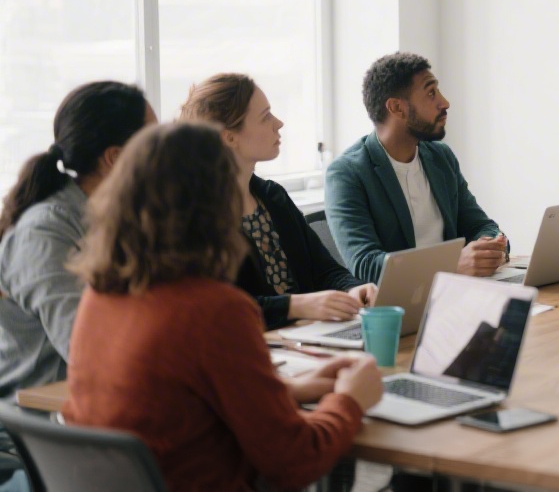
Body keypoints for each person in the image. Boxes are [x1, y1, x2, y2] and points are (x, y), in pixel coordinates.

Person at [63, 122, 384, 492]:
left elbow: (180, 402)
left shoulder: (100, 296)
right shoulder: (215, 311)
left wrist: (290, 391)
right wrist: (349, 400)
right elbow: (295, 461)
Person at [0, 81, 155, 492]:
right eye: (154, 139)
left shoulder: (120, 218)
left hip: (103, 413)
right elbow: (87, 352)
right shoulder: (45, 232)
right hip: (47, 434)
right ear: (115, 158)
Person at [179, 73, 376, 330]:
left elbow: (325, 271)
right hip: (251, 349)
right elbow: (220, 308)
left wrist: (352, 289)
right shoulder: (196, 216)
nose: (279, 123)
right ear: (229, 137)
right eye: (265, 116)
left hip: (306, 338)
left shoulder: (273, 197)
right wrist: (297, 305)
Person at [326, 53, 507, 283]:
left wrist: (489, 245)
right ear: (397, 108)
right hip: (402, 308)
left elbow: (481, 225)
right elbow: (367, 265)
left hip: (455, 293)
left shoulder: (441, 157)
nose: (445, 102)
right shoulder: (347, 174)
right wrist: (451, 265)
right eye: (431, 93)